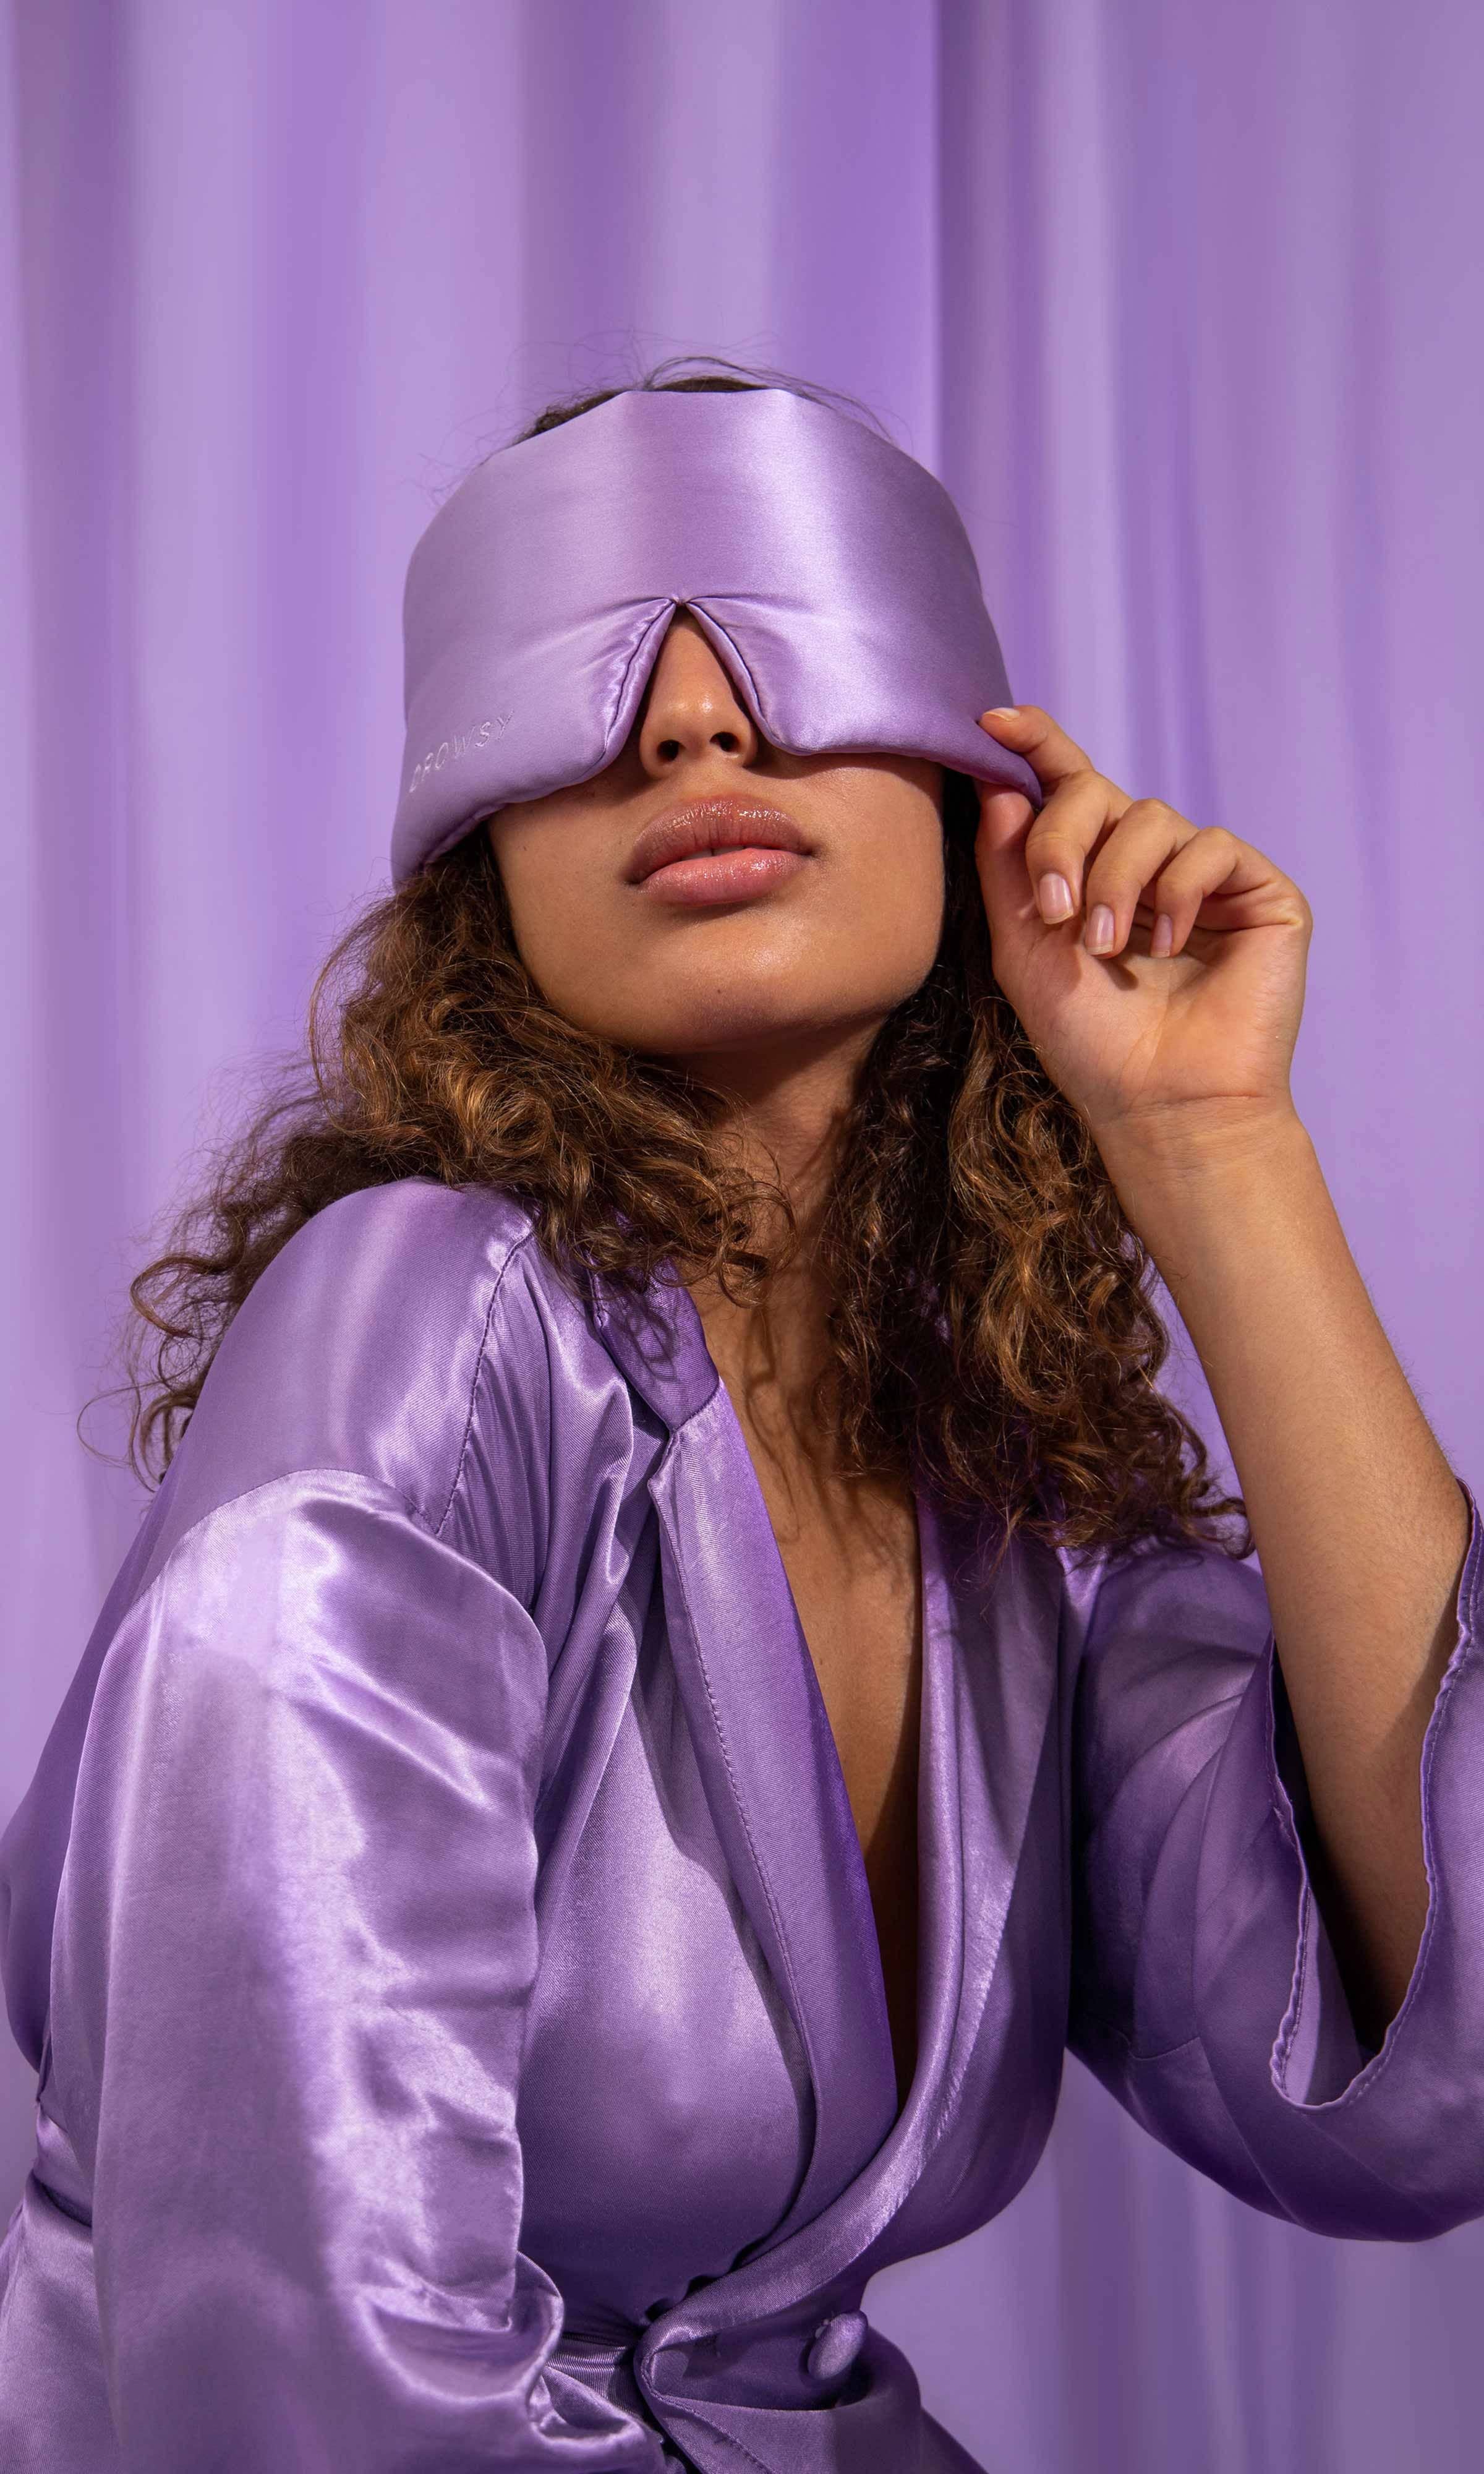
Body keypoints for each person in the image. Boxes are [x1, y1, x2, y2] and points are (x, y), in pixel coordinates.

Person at [0, 357, 1478, 2474]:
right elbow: (289, 2340)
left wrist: (1218, 1147)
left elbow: (1428, 2081)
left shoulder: (1002, 1480)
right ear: (474, 846)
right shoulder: (426, 1326)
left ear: (983, 787)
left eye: (781, 640)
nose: (693, 720)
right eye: (588, 672)